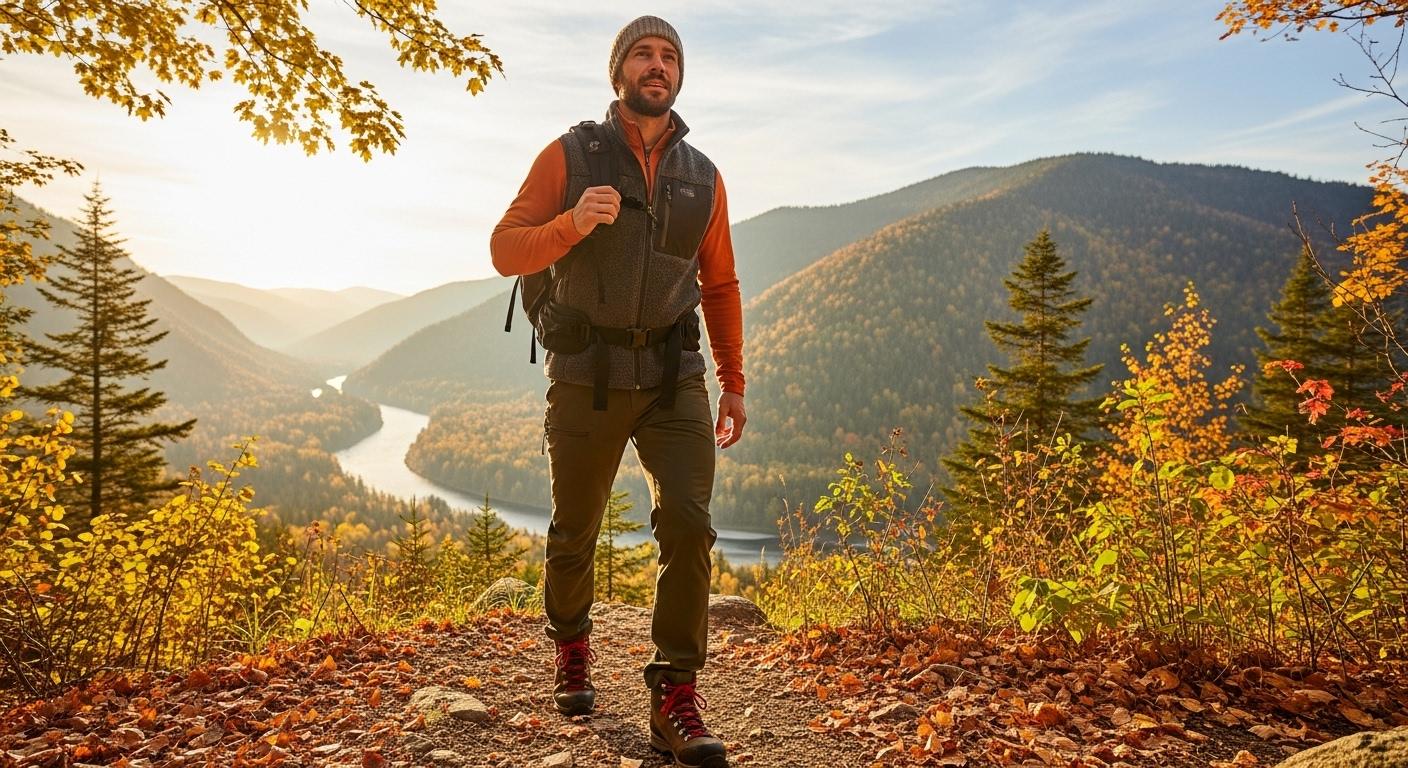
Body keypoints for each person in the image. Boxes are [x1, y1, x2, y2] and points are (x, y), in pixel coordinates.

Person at [489, 15, 745, 768]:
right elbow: (505, 248)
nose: (657, 65)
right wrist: (570, 223)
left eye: (669, 56)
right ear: (619, 70)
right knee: (575, 528)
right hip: (587, 377)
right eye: (644, 53)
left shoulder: (703, 174)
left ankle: (675, 695)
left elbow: (721, 282)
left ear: (680, 74)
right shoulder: (569, 155)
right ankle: (571, 647)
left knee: (691, 524)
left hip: (674, 377)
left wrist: (734, 382)